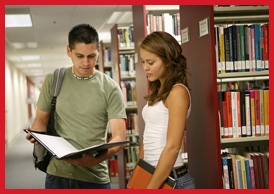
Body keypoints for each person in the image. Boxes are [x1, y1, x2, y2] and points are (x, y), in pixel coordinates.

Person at [25, 24, 127, 189]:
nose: (86, 63)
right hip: (58, 174)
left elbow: (119, 138)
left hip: (95, 177)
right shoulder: (54, 79)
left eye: (91, 56)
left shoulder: (111, 87)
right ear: (68, 51)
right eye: (79, 56)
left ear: (98, 52)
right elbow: (41, 120)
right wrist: (36, 136)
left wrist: (95, 160)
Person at [128, 31, 195, 189]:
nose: (145, 68)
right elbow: (147, 139)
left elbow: (172, 147)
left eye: (150, 62)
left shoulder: (177, 92)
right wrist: (136, 178)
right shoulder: (159, 90)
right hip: (149, 174)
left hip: (171, 180)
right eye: (143, 62)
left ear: (168, 60)